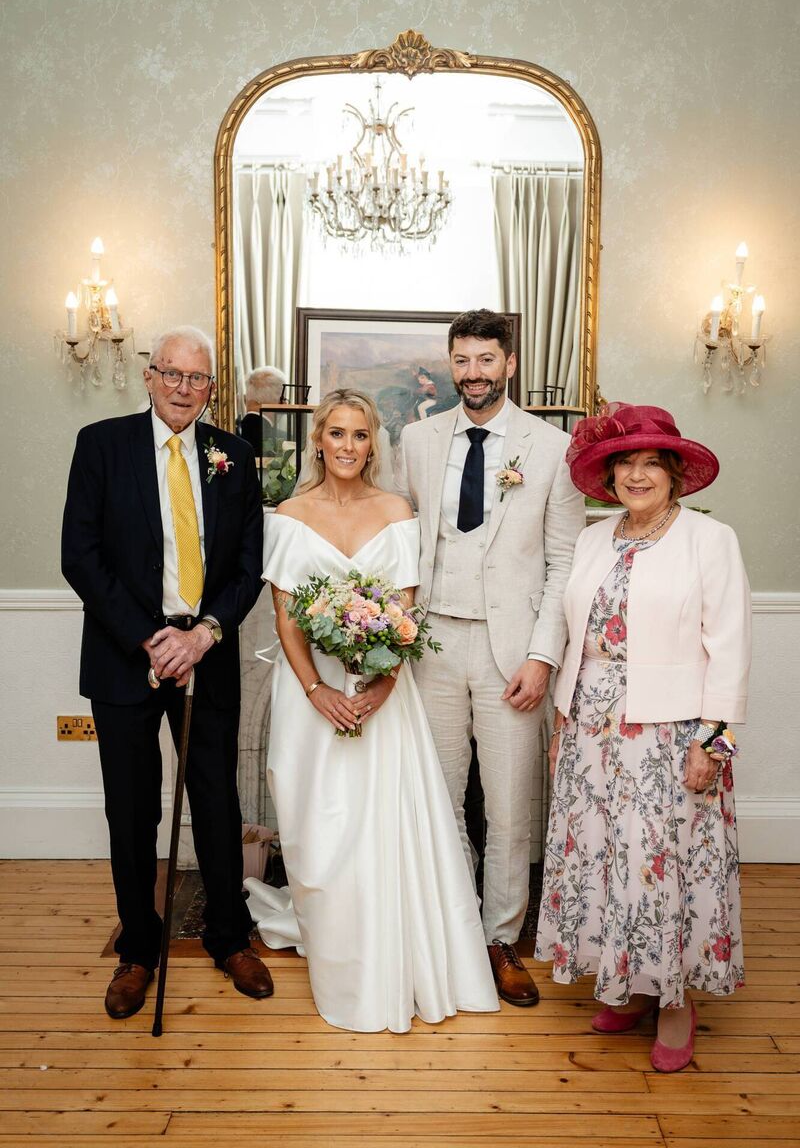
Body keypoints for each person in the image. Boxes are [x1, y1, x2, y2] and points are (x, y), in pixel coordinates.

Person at [245, 388, 499, 1033]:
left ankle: (398, 950)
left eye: (360, 435)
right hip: (313, 699)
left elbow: (405, 611)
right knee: (319, 828)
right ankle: (339, 949)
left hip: (384, 693)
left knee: (383, 823)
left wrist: (382, 686)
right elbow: (286, 614)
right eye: (337, 434)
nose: (348, 447)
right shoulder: (288, 514)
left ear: (373, 443)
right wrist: (315, 691)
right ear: (319, 441)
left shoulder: (397, 510)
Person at [61, 326, 273, 1019]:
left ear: (212, 389)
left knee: (216, 801)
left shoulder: (235, 456)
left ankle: (228, 937)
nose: (184, 389)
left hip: (207, 657)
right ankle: (138, 951)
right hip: (127, 657)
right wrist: (152, 638)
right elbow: (80, 554)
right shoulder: (102, 444)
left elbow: (248, 564)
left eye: (198, 379)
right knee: (132, 808)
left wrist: (205, 633)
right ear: (149, 377)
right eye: (172, 375)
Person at [536, 402, 751, 1072]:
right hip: (591, 725)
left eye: (648, 462)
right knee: (607, 860)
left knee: (667, 864)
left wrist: (712, 744)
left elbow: (732, 647)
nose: (635, 474)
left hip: (671, 730)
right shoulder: (596, 537)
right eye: (622, 463)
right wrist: (563, 723)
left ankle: (676, 1002)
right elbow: (575, 634)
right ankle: (626, 985)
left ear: (674, 471)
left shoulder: (710, 542)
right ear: (607, 475)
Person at [396, 309, 585, 1006]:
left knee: (507, 810)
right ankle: (449, 933)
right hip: (432, 645)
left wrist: (542, 656)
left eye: (485, 360)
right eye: (462, 360)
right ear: (450, 365)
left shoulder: (551, 447)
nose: (473, 373)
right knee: (439, 801)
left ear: (508, 364)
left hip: (513, 654)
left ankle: (501, 941)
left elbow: (564, 561)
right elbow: (401, 540)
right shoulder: (415, 440)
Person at [239, 365, 288, 457]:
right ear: (280, 401)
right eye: (284, 399)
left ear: (247, 399)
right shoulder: (284, 441)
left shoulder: (232, 430)